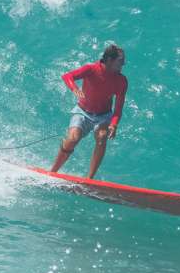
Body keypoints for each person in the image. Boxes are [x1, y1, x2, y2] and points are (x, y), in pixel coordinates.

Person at [50, 44, 128, 179]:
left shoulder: (121, 81)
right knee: (73, 138)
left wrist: (114, 124)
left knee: (102, 137)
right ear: (109, 60)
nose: (123, 64)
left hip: (103, 116)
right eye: (120, 61)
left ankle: (89, 179)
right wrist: (74, 88)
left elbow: (118, 109)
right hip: (83, 112)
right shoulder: (91, 69)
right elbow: (67, 76)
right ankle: (52, 172)